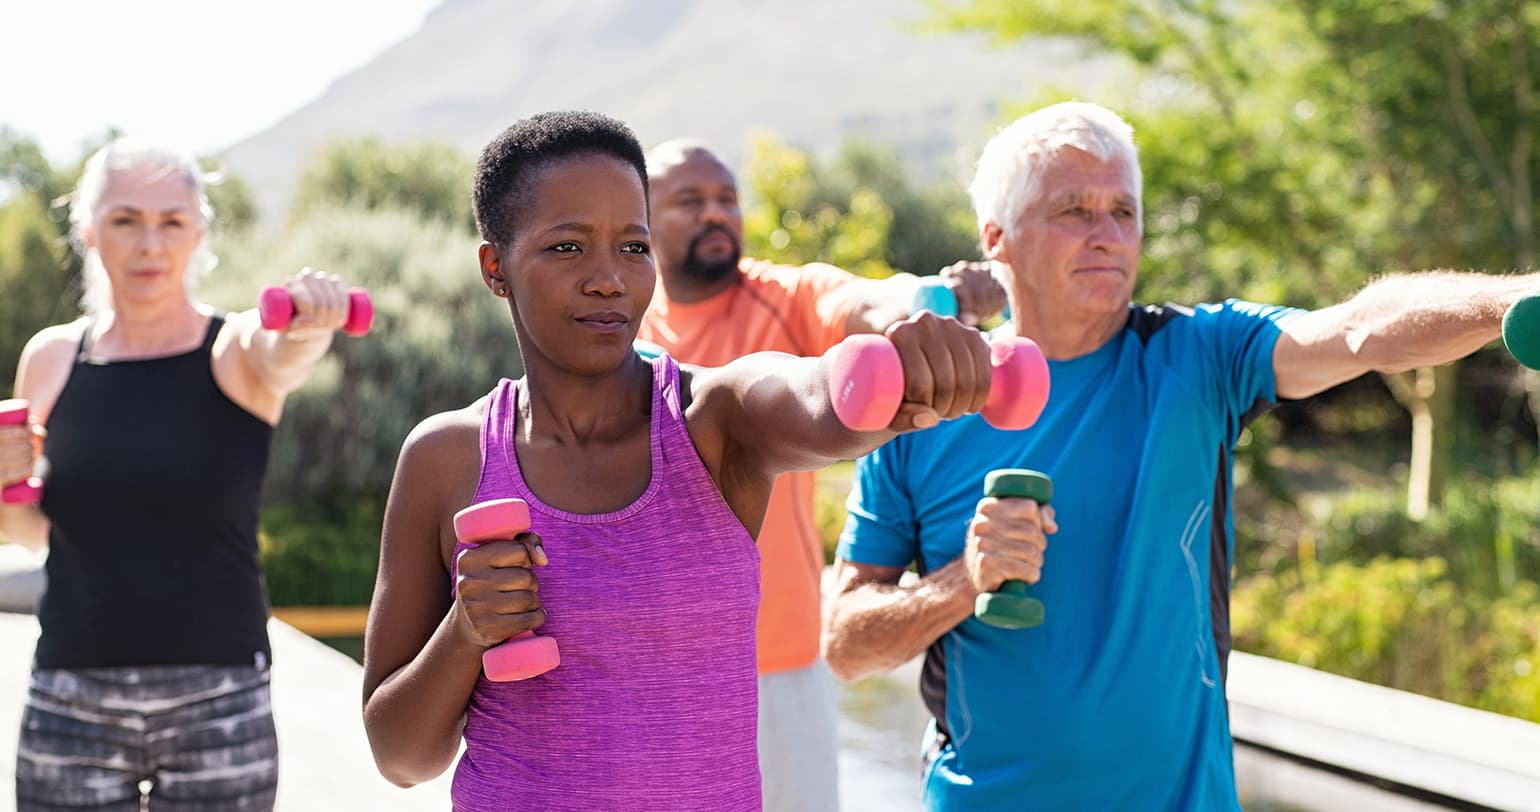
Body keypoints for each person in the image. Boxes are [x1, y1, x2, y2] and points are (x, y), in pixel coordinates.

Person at [821, 101, 1539, 811]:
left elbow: (1359, 330)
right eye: (1075, 211)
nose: (1107, 235)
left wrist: (1513, 301)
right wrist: (961, 581)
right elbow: (847, 646)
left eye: (1123, 212)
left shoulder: (1199, 355)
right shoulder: (923, 406)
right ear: (997, 238)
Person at [358, 111, 998, 811]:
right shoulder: (445, 459)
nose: (608, 279)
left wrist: (903, 375)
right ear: (496, 268)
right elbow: (401, 757)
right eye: (568, 247)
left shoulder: (714, 421)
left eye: (633, 247)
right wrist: (467, 632)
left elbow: (817, 400)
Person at [636, 138, 1004, 812]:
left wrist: (935, 299)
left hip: (779, 666)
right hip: (646, 675)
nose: (716, 213)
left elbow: (869, 302)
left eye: (726, 198)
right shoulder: (622, 325)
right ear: (643, 219)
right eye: (690, 201)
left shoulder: (786, 295)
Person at [0, 140, 358, 810]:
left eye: (172, 222)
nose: (149, 245)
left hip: (218, 700)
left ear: (199, 234)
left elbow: (282, 353)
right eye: (125, 220)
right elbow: (28, 532)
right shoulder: (50, 358)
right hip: (71, 696)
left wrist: (309, 327)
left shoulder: (233, 350)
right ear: (87, 229)